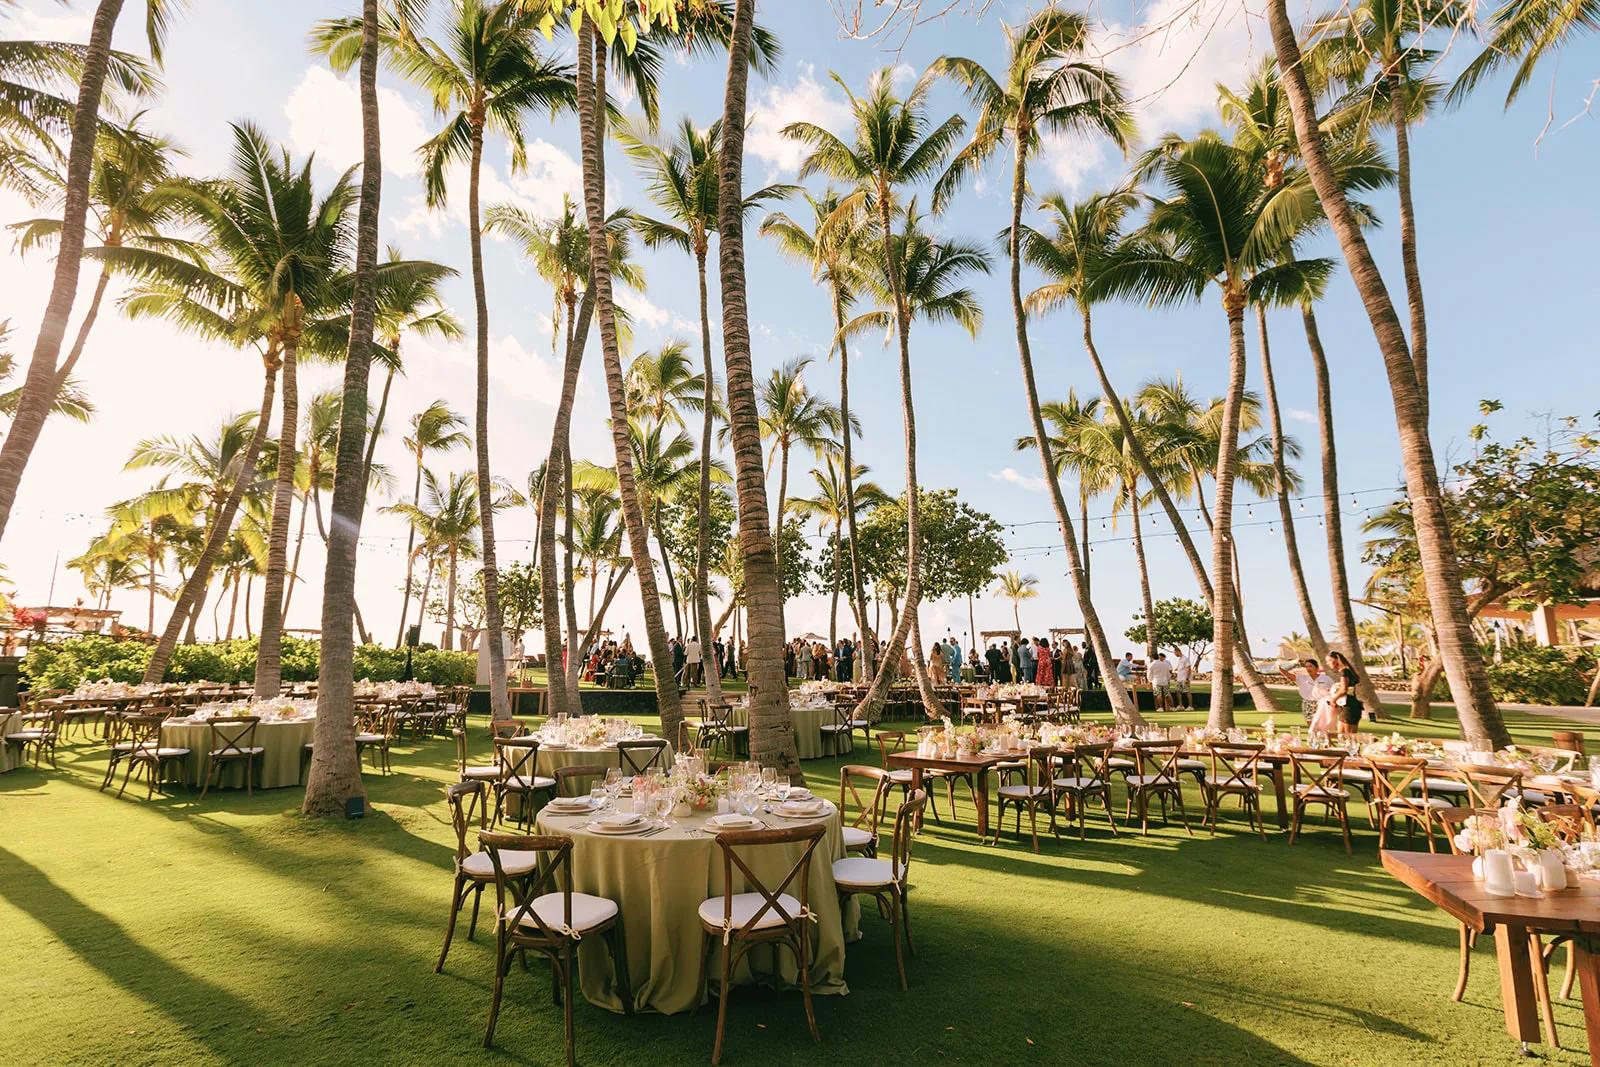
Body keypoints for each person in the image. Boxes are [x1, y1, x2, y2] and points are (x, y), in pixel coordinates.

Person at [1327, 650, 1365, 735]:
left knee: (1347, 737)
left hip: (1349, 707)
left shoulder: (1344, 672)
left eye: (1329, 660)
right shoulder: (1347, 671)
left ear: (1336, 660)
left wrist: (1333, 699)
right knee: (1343, 736)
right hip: (1349, 706)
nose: (1328, 663)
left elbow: (1344, 690)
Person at [1286, 657, 1335, 722]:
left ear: (1317, 668)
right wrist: (1294, 662)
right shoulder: (1302, 678)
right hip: (1308, 704)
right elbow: (1287, 673)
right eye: (1306, 666)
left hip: (1323, 704)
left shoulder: (1326, 678)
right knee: (1311, 725)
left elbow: (1334, 689)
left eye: (1310, 666)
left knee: (1323, 724)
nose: (1308, 668)